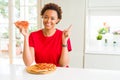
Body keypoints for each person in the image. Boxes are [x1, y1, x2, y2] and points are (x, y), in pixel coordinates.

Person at [18, 3, 72, 67]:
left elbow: (63, 64)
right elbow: (28, 63)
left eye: (52, 18)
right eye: (46, 17)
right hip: (41, 73)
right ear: (42, 17)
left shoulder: (63, 36)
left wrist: (64, 41)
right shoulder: (33, 36)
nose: (48, 21)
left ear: (57, 20)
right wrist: (26, 37)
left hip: (59, 73)